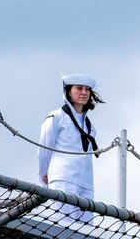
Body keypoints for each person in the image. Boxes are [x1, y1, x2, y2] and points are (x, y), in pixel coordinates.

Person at [38, 74, 102, 224]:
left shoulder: (89, 125)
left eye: (87, 90)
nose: (84, 93)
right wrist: (44, 175)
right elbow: (44, 149)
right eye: (79, 88)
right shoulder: (56, 117)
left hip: (86, 182)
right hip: (63, 178)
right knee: (63, 227)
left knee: (86, 232)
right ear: (68, 92)